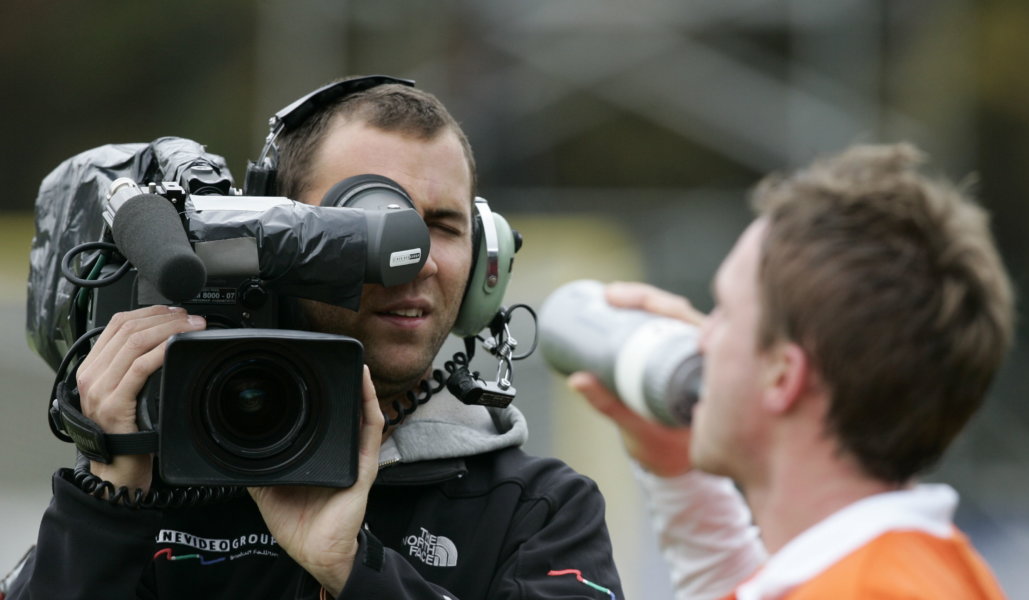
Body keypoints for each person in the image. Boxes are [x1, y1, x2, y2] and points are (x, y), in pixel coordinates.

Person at [8, 78, 623, 599]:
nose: (415, 260)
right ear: (269, 235)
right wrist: (106, 505)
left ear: (489, 256)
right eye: (370, 222)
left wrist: (356, 569)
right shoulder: (147, 484)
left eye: (442, 226)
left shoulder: (539, 510)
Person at [569, 143, 1014, 599]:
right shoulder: (908, 570)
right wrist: (677, 468)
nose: (701, 336)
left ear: (782, 375)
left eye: (725, 312)